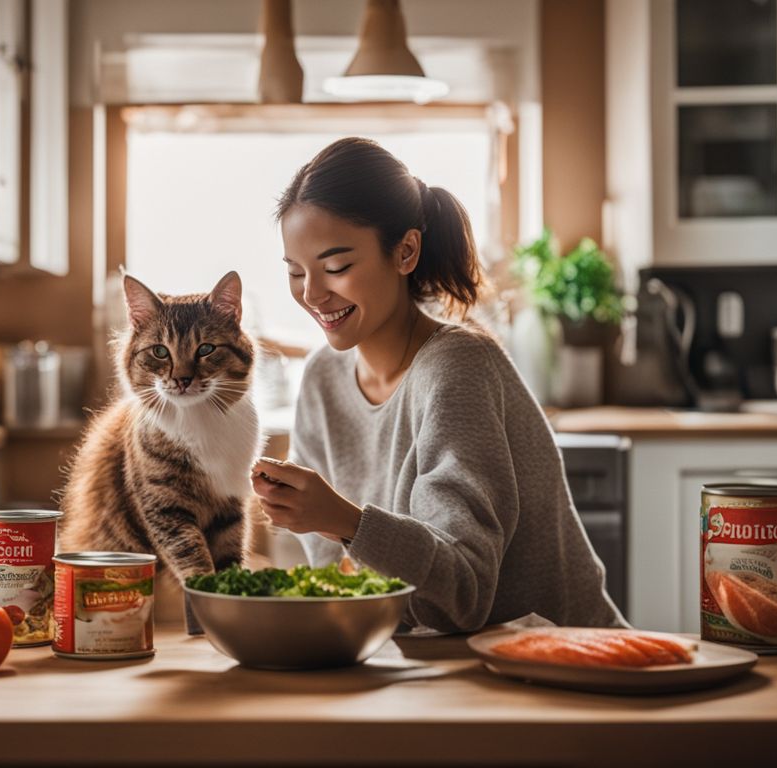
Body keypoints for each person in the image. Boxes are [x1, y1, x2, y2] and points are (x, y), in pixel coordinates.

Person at [252, 137, 625, 632]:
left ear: (405, 251)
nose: (312, 294)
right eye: (296, 272)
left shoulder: (458, 367)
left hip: (569, 665)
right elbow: (345, 587)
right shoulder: (324, 378)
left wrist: (343, 519)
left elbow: (460, 596)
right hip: (440, 668)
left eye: (336, 267)